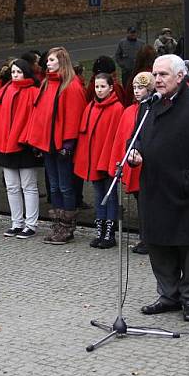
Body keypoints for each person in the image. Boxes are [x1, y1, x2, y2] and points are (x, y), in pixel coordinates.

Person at [127, 55, 189, 322]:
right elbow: (134, 138)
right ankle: (168, 294)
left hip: (183, 190)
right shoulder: (148, 105)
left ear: (180, 77)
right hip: (153, 187)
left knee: (186, 246)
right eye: (155, 74)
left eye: (163, 75)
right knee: (157, 244)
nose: (156, 79)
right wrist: (133, 152)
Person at [25, 46, 87, 245]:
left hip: (62, 146)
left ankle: (66, 228)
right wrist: (37, 139)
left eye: (51, 60)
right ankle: (58, 226)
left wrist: (68, 143)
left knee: (65, 187)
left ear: (61, 61)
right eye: (48, 60)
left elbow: (74, 116)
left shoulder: (71, 85)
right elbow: (40, 115)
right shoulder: (47, 84)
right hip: (49, 144)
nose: (48, 63)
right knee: (54, 187)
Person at [0, 58, 41, 239]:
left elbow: (36, 119)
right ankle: (16, 222)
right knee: (12, 187)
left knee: (28, 186)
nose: (16, 75)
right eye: (14, 72)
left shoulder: (34, 92)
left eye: (19, 72)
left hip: (25, 146)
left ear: (26, 73)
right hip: (6, 145)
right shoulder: (6, 90)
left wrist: (26, 138)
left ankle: (31, 224)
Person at [107, 71, 155, 254]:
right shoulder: (129, 111)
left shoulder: (150, 110)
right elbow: (123, 139)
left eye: (141, 88)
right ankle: (144, 238)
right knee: (141, 204)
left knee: (149, 206)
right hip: (133, 163)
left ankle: (150, 239)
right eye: (135, 87)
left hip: (148, 165)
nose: (136, 91)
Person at [74, 72, 124, 248]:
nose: (99, 90)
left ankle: (110, 233)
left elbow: (115, 138)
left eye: (103, 86)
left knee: (110, 197)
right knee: (98, 196)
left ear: (111, 88)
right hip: (94, 159)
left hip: (108, 160)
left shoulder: (117, 108)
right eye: (97, 86)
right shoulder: (91, 107)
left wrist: (111, 161)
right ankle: (100, 229)